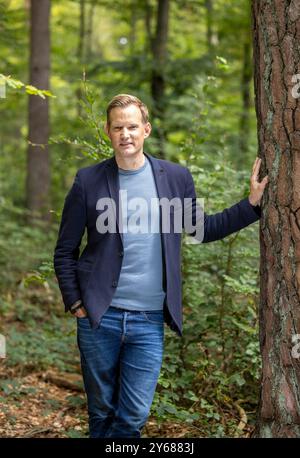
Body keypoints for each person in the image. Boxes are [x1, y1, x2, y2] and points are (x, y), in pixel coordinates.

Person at [53, 94, 268, 438]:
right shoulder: (88, 181)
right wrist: (76, 303)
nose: (126, 134)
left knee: (133, 415)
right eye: (118, 127)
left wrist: (252, 204)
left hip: (150, 318)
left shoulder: (175, 178)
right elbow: (65, 251)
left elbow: (203, 230)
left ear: (146, 130)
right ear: (108, 132)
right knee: (101, 411)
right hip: (99, 317)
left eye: (133, 126)